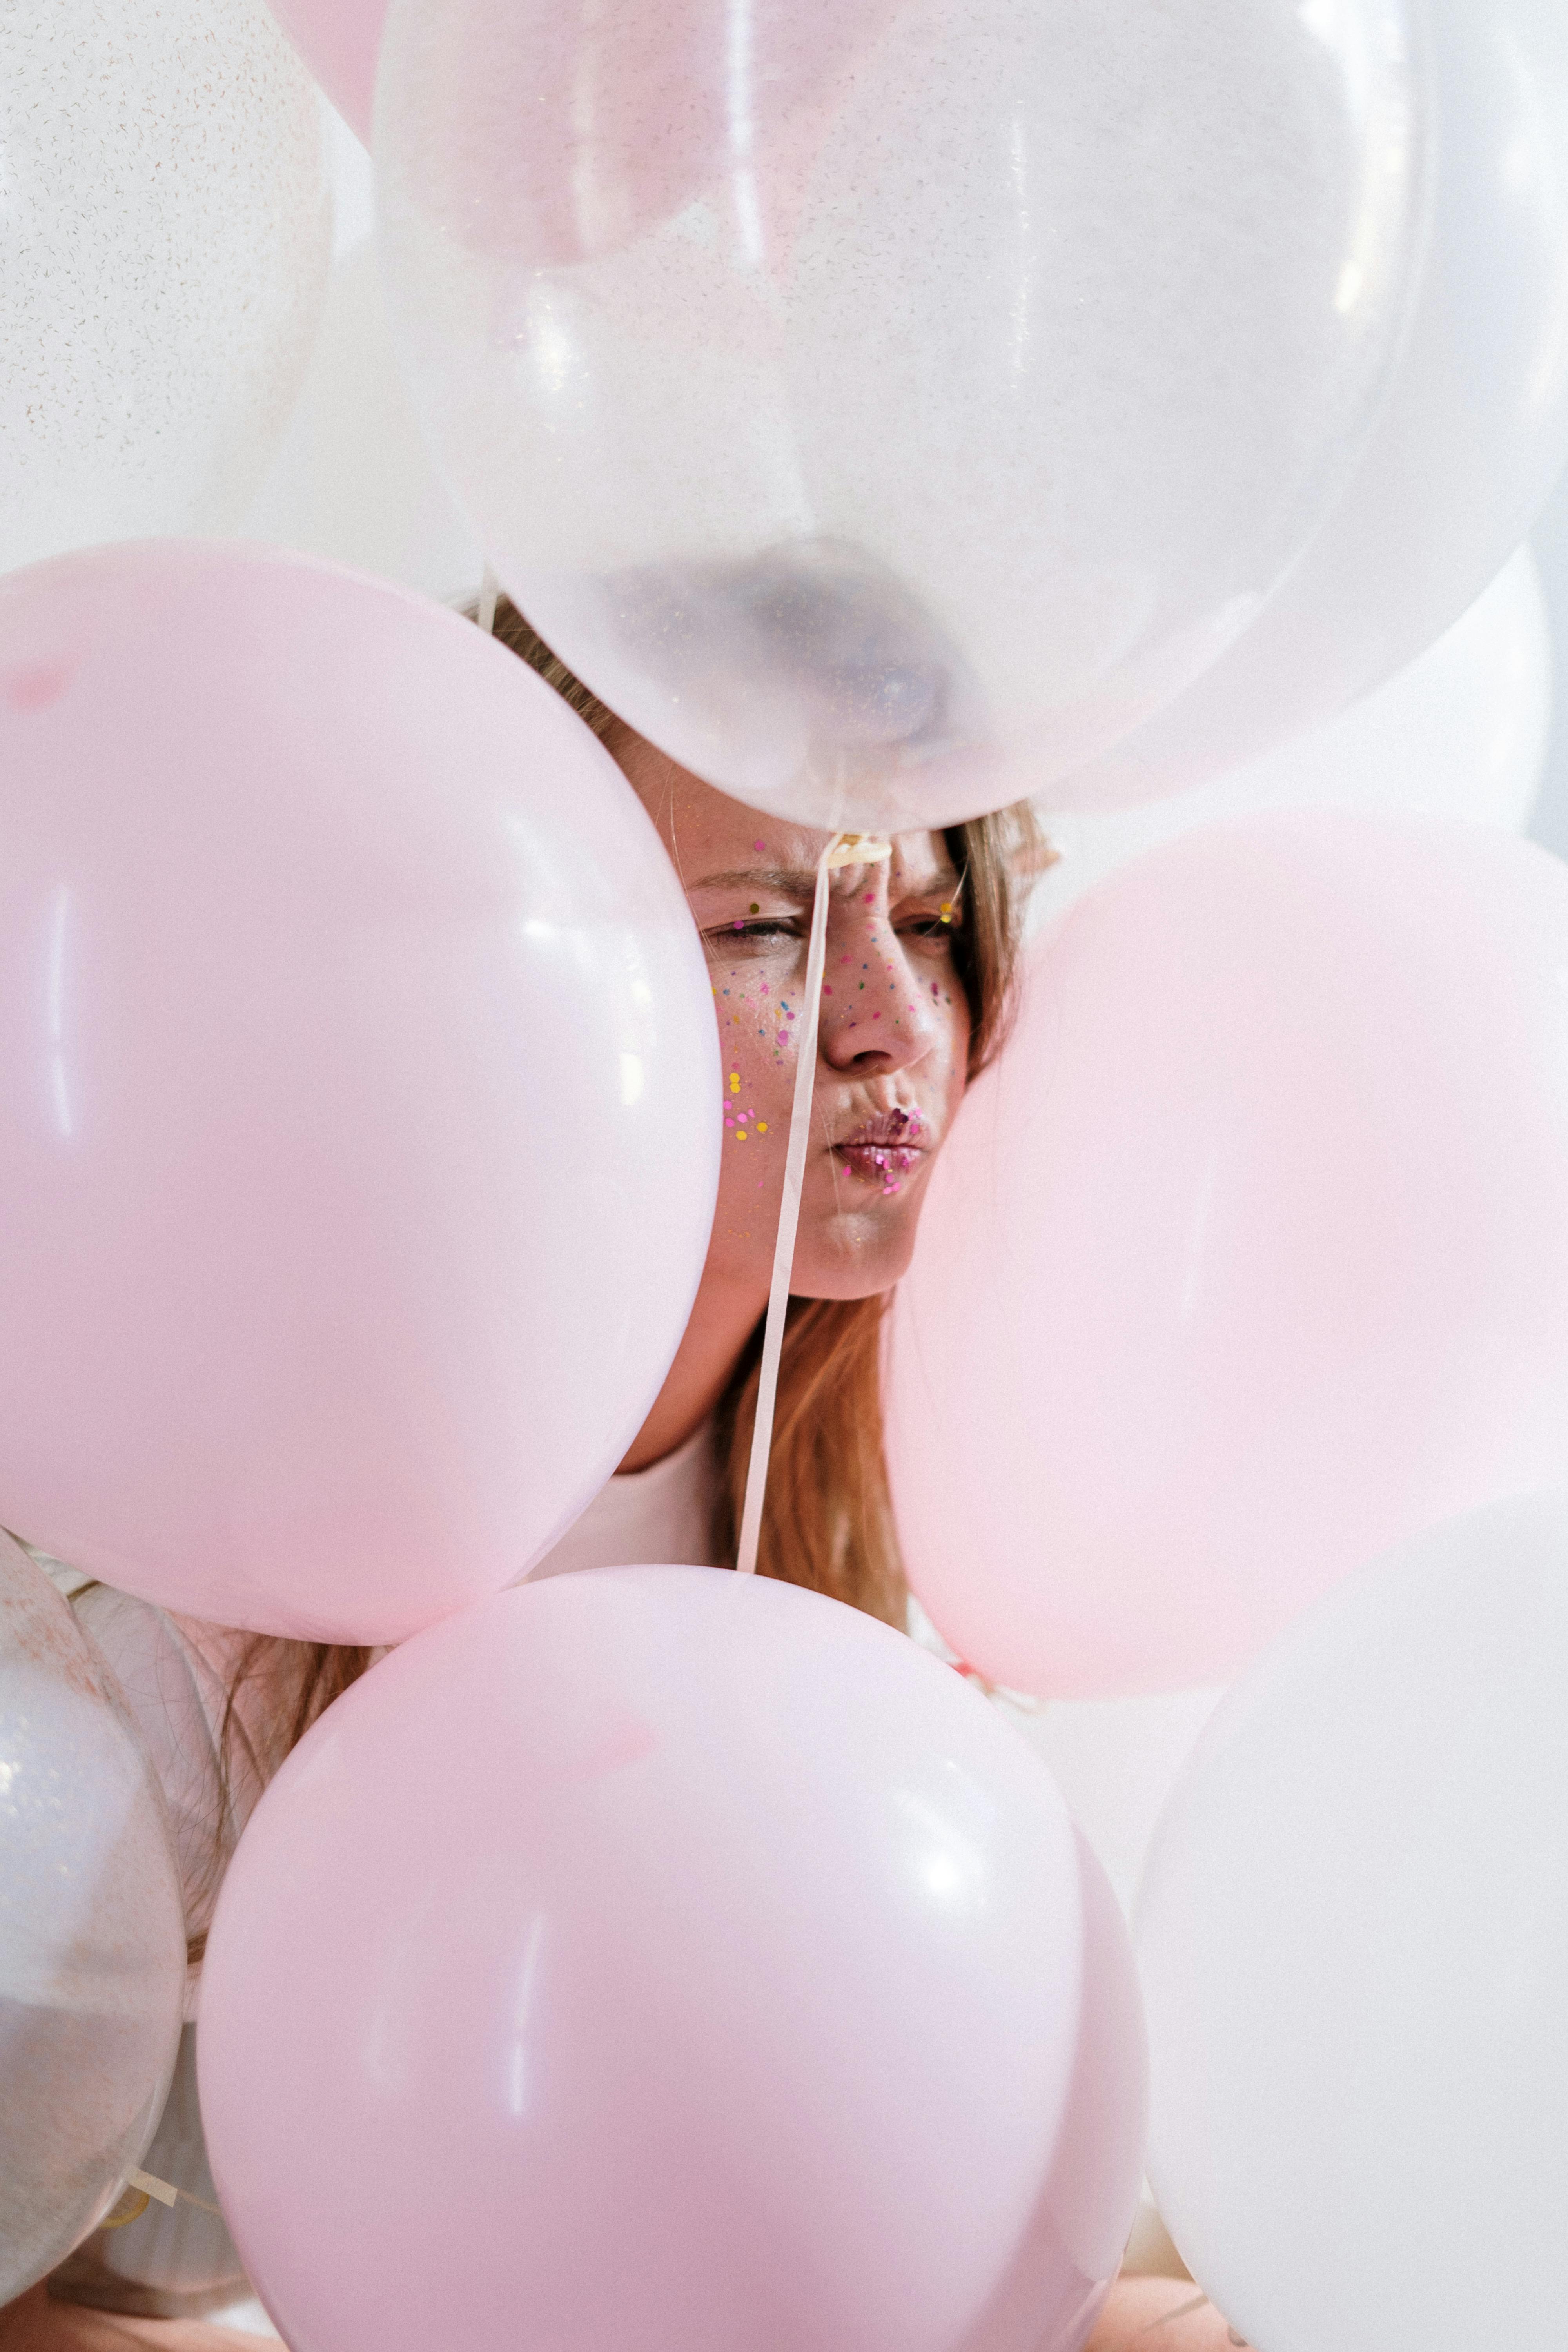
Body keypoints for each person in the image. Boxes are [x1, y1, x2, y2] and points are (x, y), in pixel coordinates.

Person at [1, 601, 1237, 2352]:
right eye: (760, 928)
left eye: (930, 919)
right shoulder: (218, 1563)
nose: (887, 1025)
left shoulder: (878, 1474)